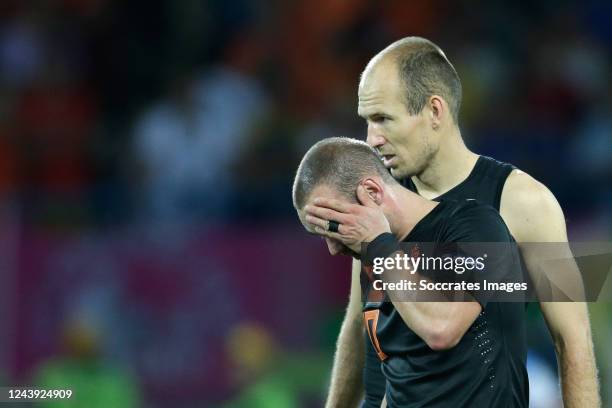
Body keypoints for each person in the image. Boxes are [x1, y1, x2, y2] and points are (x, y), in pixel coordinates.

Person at [307, 37, 599, 408]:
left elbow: (571, 337)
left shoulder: (527, 203)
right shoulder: (375, 200)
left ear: (434, 111)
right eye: (367, 121)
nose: (371, 139)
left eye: (383, 119)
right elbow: (357, 326)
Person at [293, 137, 529, 407]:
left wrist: (379, 245)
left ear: (371, 192)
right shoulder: (376, 255)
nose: (333, 249)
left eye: (334, 227)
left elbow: (441, 328)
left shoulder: (476, 227)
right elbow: (398, 375)